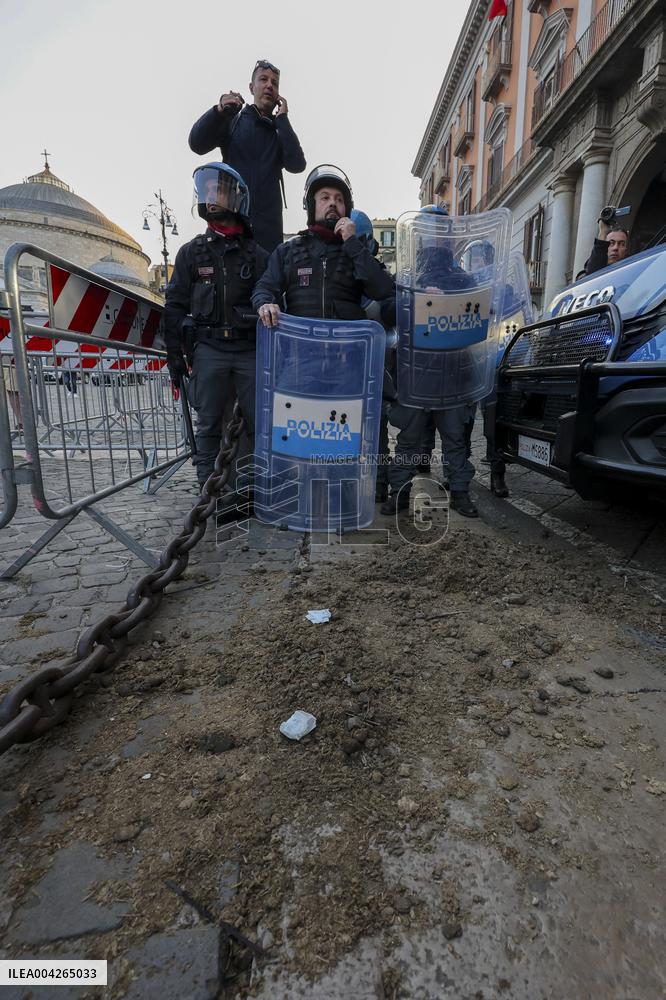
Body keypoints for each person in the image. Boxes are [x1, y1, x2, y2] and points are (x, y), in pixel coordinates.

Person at [164, 163, 269, 495]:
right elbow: (174, 306)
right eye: (207, 190)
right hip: (209, 349)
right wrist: (174, 357)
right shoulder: (191, 253)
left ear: (237, 198)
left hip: (249, 349)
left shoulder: (257, 255)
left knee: (259, 422)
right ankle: (209, 489)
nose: (211, 196)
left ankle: (257, 486)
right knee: (207, 423)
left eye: (218, 190)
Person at [382, 207, 480, 518]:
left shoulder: (463, 279)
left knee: (454, 439)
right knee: (409, 441)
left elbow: (474, 321)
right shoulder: (408, 279)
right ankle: (400, 491)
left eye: (441, 228)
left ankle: (460, 492)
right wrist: (414, 298)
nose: (435, 235)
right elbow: (389, 313)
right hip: (417, 374)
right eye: (430, 228)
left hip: (450, 374)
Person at [188, 59, 306, 253]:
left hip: (269, 236)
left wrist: (283, 120)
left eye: (274, 83)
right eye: (263, 79)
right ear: (252, 87)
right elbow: (196, 144)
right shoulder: (233, 120)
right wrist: (218, 112)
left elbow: (297, 164)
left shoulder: (279, 132)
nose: (269, 85)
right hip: (234, 230)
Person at [251, 165, 394, 324]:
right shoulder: (288, 250)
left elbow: (384, 290)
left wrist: (353, 244)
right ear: (311, 206)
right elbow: (265, 287)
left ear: (347, 209)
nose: (333, 203)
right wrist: (264, 304)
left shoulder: (357, 251)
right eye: (325, 198)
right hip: (299, 343)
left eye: (339, 199)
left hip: (347, 345)